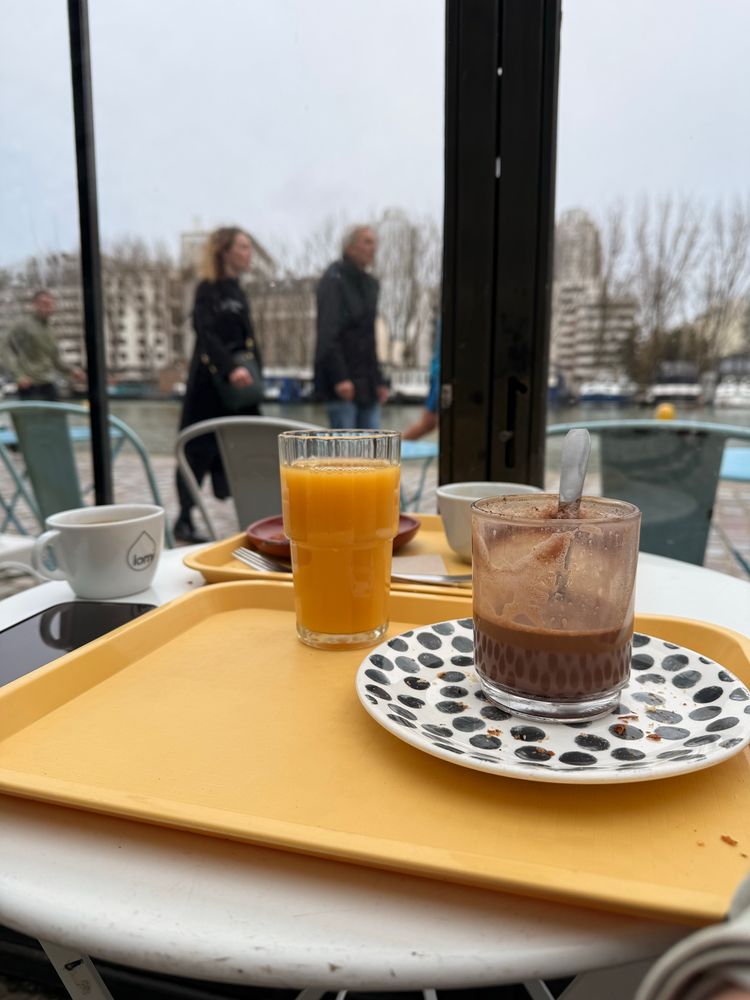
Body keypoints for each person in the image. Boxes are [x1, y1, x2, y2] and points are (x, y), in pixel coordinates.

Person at [174, 227, 262, 544]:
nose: (248, 253)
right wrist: (230, 368)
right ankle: (184, 520)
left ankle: (256, 517)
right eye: (242, 246)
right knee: (196, 450)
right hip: (209, 386)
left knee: (250, 448)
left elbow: (248, 338)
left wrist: (255, 372)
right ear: (224, 251)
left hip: (241, 388)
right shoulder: (207, 289)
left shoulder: (238, 291)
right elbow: (206, 333)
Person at [314, 224, 389, 428]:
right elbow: (328, 332)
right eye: (367, 242)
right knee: (346, 454)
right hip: (343, 383)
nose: (373, 248)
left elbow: (368, 337)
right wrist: (340, 377)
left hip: (367, 384)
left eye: (375, 243)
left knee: (372, 452)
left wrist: (379, 380)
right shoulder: (333, 280)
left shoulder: (370, 285)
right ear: (350, 247)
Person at [6, 290, 84, 400]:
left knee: (57, 415)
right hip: (29, 384)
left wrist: (72, 370)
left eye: (51, 304)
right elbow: (5, 349)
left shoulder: (50, 330)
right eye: (45, 304)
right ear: (34, 305)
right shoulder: (22, 326)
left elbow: (55, 359)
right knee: (32, 416)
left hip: (48, 382)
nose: (49, 308)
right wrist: (19, 376)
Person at [402, 323, 440, 441]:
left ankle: (396, 445)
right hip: (440, 374)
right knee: (429, 421)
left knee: (429, 422)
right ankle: (396, 445)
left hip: (439, 372)